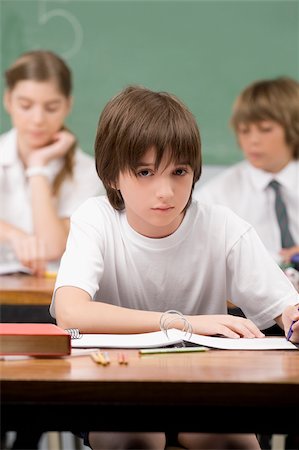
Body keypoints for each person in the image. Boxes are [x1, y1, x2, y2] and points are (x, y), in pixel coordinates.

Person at [50, 85, 299, 450]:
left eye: (179, 171)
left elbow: (284, 308)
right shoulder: (96, 218)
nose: (165, 191)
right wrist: (182, 322)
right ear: (112, 176)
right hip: (117, 385)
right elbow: (71, 313)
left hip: (207, 388)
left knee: (230, 441)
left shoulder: (222, 225)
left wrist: (293, 318)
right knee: (132, 438)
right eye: (145, 172)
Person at [0, 50, 105, 276]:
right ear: (8, 100)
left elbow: (51, 247)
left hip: (50, 296)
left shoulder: (86, 171)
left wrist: (37, 168)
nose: (37, 120)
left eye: (51, 108)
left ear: (68, 105)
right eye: (26, 106)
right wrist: (14, 235)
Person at [194, 77, 299, 271]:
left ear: (294, 129)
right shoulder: (216, 195)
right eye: (244, 131)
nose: (253, 140)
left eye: (265, 129)